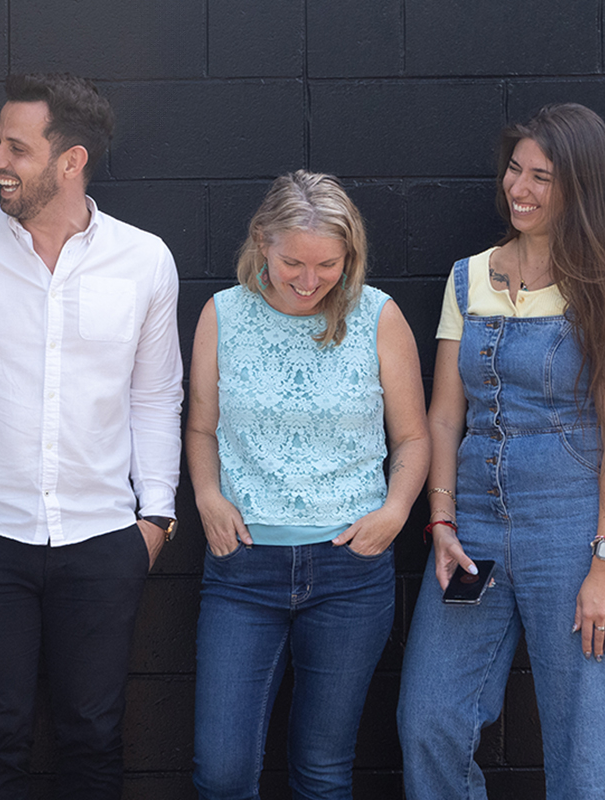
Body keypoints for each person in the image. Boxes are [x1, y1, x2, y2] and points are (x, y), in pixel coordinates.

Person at [0, 72, 183, 799]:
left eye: (15, 147)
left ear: (70, 160)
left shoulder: (145, 261)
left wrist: (157, 516)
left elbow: (156, 395)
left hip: (105, 536)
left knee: (94, 734)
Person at [397, 103, 605, 799]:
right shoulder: (469, 279)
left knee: (582, 743)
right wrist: (441, 523)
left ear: (580, 186)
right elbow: (443, 415)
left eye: (542, 176)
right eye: (516, 170)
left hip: (575, 533)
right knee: (430, 720)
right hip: (477, 533)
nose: (521, 188)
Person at [185, 171, 429, 799]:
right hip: (243, 570)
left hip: (351, 570)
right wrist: (209, 497)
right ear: (261, 241)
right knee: (222, 772)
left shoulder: (377, 315)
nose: (307, 278)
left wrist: (396, 509)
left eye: (328, 264)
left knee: (322, 771)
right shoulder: (223, 314)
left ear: (349, 257)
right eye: (292, 260)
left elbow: (413, 437)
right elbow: (201, 429)